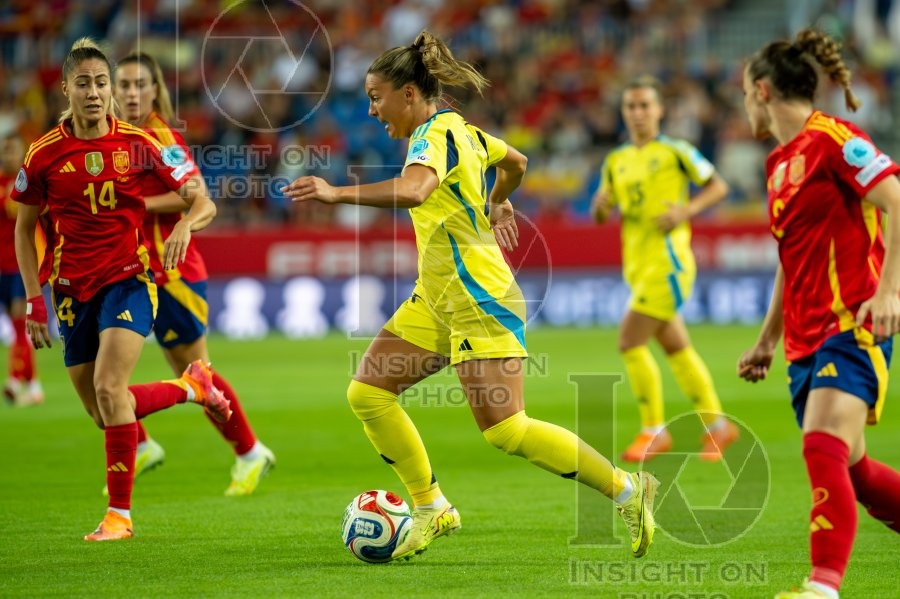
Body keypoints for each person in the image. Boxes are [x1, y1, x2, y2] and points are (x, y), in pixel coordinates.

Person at [282, 30, 659, 561]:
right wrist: (495, 202)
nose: (371, 110)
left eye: (376, 97)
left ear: (409, 95)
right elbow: (518, 163)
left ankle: (626, 488)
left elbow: (415, 190)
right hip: (437, 297)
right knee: (368, 392)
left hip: (480, 296)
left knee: (506, 430)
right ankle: (431, 506)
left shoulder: (430, 137)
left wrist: (335, 193)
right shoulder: (466, 131)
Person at [12, 38, 232, 541]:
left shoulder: (142, 141)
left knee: (112, 391)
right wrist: (33, 298)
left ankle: (119, 517)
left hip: (129, 280)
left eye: (102, 83)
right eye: (84, 84)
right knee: (100, 410)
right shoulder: (43, 154)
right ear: (65, 89)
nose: (95, 93)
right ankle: (190, 387)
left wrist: (183, 225)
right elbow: (25, 229)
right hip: (70, 292)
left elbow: (202, 200)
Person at [737, 29, 900, 599]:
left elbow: (896, 200)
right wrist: (766, 339)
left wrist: (888, 293)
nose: (743, 105)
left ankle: (822, 587)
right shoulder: (779, 162)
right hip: (804, 339)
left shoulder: (835, 139)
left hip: (852, 323)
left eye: (744, 94)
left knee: (822, 441)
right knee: (851, 468)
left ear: (761, 90)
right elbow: (792, 256)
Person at [113, 51, 275, 496]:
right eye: (122, 85)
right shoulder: (112, 138)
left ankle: (248, 451)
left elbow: (196, 194)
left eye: (138, 85)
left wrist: (137, 206)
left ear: (153, 90)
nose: (129, 93)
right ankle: (142, 443)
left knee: (197, 374)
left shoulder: (159, 135)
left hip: (172, 274)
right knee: (103, 369)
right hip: (134, 272)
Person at [591, 75, 739, 463]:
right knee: (676, 347)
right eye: (631, 107)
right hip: (637, 265)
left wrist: (685, 211)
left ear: (659, 110)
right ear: (624, 113)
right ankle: (719, 427)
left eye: (644, 105)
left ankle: (653, 430)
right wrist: (601, 205)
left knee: (630, 340)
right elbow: (602, 215)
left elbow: (718, 186)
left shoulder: (677, 151)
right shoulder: (615, 160)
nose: (638, 113)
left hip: (669, 264)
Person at [1, 134, 43, 406]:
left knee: (19, 324)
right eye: (5, 151)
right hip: (1, 266)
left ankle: (15, 379)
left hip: (19, 264)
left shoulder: (26, 183)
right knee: (17, 328)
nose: (8, 156)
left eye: (14, 151)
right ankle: (35, 385)